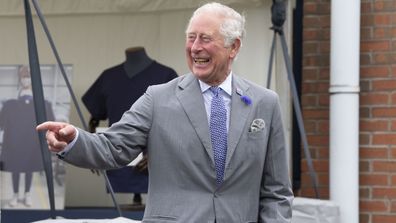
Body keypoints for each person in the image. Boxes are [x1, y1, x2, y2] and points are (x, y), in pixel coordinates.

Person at [37, 2, 293, 222]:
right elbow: (114, 147)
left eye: (205, 38)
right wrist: (73, 141)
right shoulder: (157, 98)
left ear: (233, 47)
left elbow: (276, 191)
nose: (195, 47)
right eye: (190, 37)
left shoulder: (264, 103)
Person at [82, 46, 178, 208]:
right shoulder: (109, 77)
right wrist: (94, 151)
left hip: (154, 159)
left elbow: (177, 121)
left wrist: (160, 152)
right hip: (119, 153)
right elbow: (94, 119)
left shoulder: (166, 76)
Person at [0, 65, 55, 207]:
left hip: (32, 144)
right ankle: (15, 195)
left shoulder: (43, 103)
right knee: (15, 170)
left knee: (29, 169)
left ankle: (27, 194)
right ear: (20, 79)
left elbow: (51, 124)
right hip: (14, 144)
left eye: (28, 76)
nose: (26, 79)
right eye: (23, 76)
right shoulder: (10, 104)